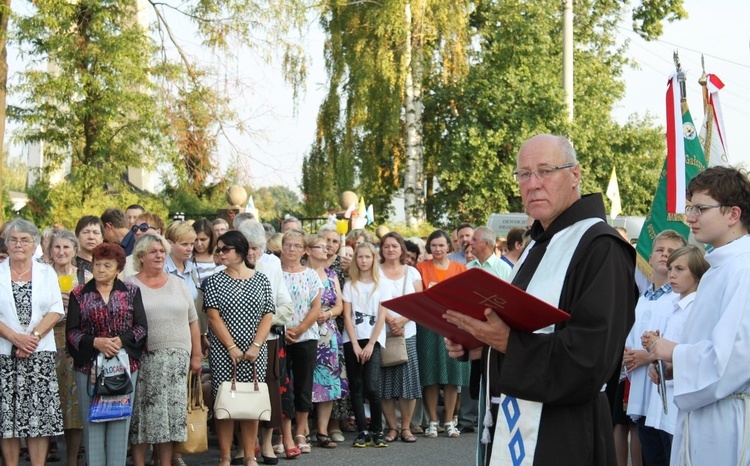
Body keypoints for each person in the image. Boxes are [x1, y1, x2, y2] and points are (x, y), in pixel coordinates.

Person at [443, 134, 636, 465]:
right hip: (516, 417)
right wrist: (480, 345)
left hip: (566, 433)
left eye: (545, 171)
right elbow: (524, 329)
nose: (532, 184)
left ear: (574, 175)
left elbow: (592, 360)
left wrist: (506, 344)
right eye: (524, 174)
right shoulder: (537, 244)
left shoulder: (601, 247)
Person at [645, 166, 750, 465]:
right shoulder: (720, 268)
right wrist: (675, 369)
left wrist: (674, 352)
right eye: (690, 207)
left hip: (729, 425)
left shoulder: (743, 270)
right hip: (707, 416)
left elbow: (732, 362)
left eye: (700, 209)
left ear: (733, 214)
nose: (690, 217)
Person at [66, 242, 148, 466]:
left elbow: (141, 328)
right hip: (88, 368)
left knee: (119, 425)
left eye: (107, 265)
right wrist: (95, 342)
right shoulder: (79, 294)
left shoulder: (131, 291)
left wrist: (121, 341)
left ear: (118, 268)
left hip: (124, 367)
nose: (100, 269)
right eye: (97, 264)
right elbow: (71, 333)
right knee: (93, 426)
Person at [125, 233, 202, 466]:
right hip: (145, 359)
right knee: (143, 415)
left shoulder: (178, 283)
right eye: (153, 252)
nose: (159, 255)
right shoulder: (130, 285)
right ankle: (139, 463)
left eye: (161, 251)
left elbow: (193, 321)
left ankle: (165, 462)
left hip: (178, 361)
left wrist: (196, 355)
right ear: (141, 256)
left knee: (171, 417)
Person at [204, 231, 274, 466]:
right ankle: (224, 456)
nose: (220, 253)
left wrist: (256, 345)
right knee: (225, 402)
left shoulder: (261, 279)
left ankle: (249, 455)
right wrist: (231, 347)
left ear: (240, 251)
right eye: (219, 249)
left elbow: (268, 314)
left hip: (255, 350)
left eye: (225, 249)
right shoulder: (214, 281)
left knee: (251, 402)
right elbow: (213, 318)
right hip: (224, 351)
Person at [0, 219, 65, 466]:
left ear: (34, 244)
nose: (19, 244)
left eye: (25, 240)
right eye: (13, 239)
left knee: (39, 416)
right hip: (5, 354)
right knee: (8, 416)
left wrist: (32, 338)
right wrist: (15, 338)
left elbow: (56, 310)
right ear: (6, 243)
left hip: (39, 353)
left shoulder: (46, 272)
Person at [624, 229, 686, 466]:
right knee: (650, 452)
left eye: (671, 252)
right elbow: (632, 334)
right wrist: (626, 353)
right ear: (649, 258)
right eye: (659, 250)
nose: (664, 255)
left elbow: (677, 342)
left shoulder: (679, 298)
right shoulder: (643, 297)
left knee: (666, 453)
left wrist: (646, 356)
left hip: (663, 393)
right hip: (642, 386)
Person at [237, 220, 294, 465]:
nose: (252, 253)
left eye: (257, 248)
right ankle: (244, 447)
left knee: (269, 391)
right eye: (247, 248)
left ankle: (268, 444)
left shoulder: (272, 265)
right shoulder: (230, 265)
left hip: (268, 339)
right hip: (238, 342)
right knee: (240, 392)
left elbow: (286, 305)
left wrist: (266, 321)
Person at [639, 246, 709, 443]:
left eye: (680, 269)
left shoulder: (697, 308)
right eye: (670, 269)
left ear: (697, 272)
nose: (672, 274)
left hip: (677, 407)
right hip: (660, 408)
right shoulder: (674, 307)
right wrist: (654, 356)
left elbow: (694, 352)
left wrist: (666, 358)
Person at [416, 229, 469, 439]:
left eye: (441, 245)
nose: (438, 249)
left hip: (452, 325)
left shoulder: (460, 268)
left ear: (449, 247)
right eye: (434, 245)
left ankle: (449, 421)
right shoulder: (420, 268)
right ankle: (432, 421)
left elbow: (464, 296)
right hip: (428, 325)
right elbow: (418, 297)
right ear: (429, 247)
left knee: (451, 375)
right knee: (430, 375)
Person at [48, 229, 93, 466]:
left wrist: (76, 306)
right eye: (57, 247)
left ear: (75, 250)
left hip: (76, 344)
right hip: (47, 342)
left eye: (66, 247)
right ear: (50, 251)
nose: (61, 252)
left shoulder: (86, 277)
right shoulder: (42, 275)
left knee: (74, 405)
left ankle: (72, 460)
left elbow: (96, 313)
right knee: (47, 401)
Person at [342, 242, 390, 448]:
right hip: (352, 339)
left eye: (367, 257)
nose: (363, 261)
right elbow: (346, 315)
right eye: (360, 257)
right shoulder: (349, 285)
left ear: (374, 259)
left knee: (372, 386)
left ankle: (377, 429)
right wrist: (354, 344)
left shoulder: (381, 284)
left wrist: (371, 344)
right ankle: (362, 430)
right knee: (357, 386)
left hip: (373, 339)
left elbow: (382, 316)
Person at [279, 229, 322, 456]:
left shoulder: (311, 275)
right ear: (282, 247)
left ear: (305, 250)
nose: (292, 250)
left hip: (306, 336)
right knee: (281, 385)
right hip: (280, 335)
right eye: (288, 245)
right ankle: (281, 433)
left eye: (297, 246)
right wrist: (284, 330)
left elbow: (316, 307)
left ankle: (301, 431)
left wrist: (301, 328)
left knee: (304, 386)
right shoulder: (275, 273)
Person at [378, 232, 423, 444]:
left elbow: (419, 302)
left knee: (408, 383)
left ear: (401, 248)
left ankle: (406, 427)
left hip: (408, 332)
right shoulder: (375, 271)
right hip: (381, 331)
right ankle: (392, 427)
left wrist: (401, 321)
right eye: (386, 246)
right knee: (385, 384)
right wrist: (389, 321)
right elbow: (373, 300)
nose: (390, 250)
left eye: (394, 246)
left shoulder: (412, 272)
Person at [306, 234, 345, 448]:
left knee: (327, 382)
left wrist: (328, 314)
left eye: (326, 247)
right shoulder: (301, 273)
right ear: (308, 250)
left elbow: (339, 305)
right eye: (320, 247)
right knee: (303, 381)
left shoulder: (331, 275)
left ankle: (322, 431)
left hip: (328, 335)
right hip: (305, 331)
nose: (326, 250)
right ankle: (303, 430)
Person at [120, 212, 166, 279]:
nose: (138, 232)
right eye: (135, 229)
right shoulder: (126, 263)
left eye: (143, 227)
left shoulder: (172, 259)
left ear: (158, 232)